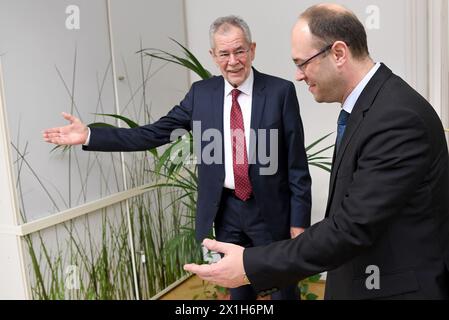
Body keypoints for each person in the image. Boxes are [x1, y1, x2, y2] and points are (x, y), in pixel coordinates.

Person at [184, 4, 449, 300]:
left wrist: (250, 264)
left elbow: (350, 228)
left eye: (302, 63)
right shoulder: (368, 108)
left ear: (338, 53)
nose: (298, 76)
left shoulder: (397, 118)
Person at [43, 15, 311, 300]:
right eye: (224, 53)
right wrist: (90, 136)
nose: (233, 60)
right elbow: (153, 133)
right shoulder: (201, 95)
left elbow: (296, 163)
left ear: (252, 49)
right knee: (238, 293)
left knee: (283, 291)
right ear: (213, 56)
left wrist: (299, 222)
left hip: (270, 210)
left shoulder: (280, 92)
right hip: (226, 212)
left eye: (239, 51)